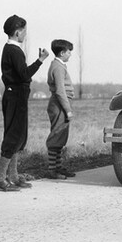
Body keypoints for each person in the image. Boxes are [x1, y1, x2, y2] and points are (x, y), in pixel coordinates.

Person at [0, 14, 49, 191]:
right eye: (24, 31)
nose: (25, 35)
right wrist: (40, 61)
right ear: (17, 32)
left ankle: (13, 176)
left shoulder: (12, 48)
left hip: (17, 97)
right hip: (15, 97)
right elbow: (24, 74)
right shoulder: (14, 50)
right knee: (13, 137)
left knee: (19, 137)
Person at [45, 39, 77, 179]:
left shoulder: (60, 65)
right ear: (62, 53)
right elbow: (60, 91)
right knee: (56, 136)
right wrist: (68, 110)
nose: (70, 54)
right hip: (59, 104)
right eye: (69, 51)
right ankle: (52, 170)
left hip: (60, 104)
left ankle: (58, 167)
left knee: (60, 136)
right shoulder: (58, 67)